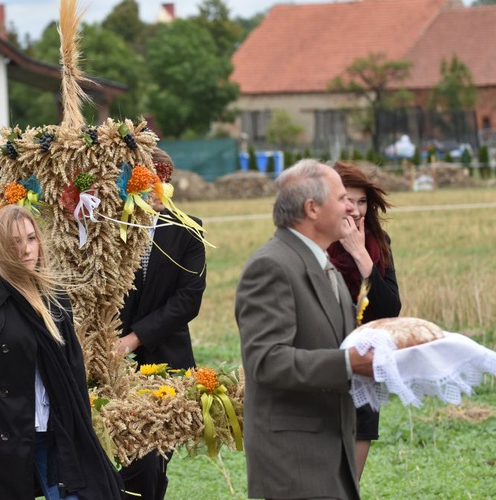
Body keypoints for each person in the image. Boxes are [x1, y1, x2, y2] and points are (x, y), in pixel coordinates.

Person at [0, 204, 124, 500]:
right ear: (0, 247)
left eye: (31, 238)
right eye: (15, 242)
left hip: (59, 431)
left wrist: (82, 428)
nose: (26, 249)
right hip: (6, 436)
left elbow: (73, 369)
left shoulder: (55, 296)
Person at [235, 159, 375, 500]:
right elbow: (267, 361)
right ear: (312, 208)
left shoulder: (322, 262)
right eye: (341, 198)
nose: (351, 208)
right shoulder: (272, 266)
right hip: (295, 464)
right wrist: (348, 364)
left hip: (328, 455)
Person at [117, 147, 207, 500]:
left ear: (166, 178)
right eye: (140, 179)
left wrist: (134, 339)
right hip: (114, 363)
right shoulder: (111, 227)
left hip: (166, 360)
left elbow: (188, 300)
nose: (150, 187)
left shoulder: (188, 230)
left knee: (155, 460)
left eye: (157, 177)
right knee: (130, 459)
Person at [328, 161, 402, 480]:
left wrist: (361, 257)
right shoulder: (310, 246)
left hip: (363, 373)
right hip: (318, 372)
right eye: (348, 200)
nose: (356, 211)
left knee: (348, 486)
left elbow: (389, 309)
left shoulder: (377, 243)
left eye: (362, 202)